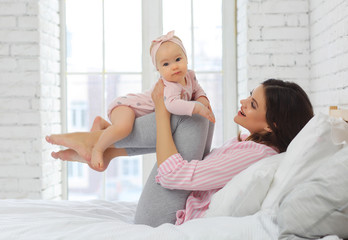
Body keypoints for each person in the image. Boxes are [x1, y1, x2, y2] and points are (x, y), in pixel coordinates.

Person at [46, 79, 313, 227]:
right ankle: (106, 147)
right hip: (171, 208)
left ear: (271, 125)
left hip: (163, 218)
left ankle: (96, 140)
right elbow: (199, 167)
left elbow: (174, 175)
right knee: (200, 114)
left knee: (193, 118)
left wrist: (162, 110)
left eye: (252, 103)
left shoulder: (257, 154)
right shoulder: (254, 147)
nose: (243, 102)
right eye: (249, 95)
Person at [85, 30, 215, 171]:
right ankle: (97, 148)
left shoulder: (190, 75)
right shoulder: (170, 85)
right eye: (166, 64)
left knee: (133, 133)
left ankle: (103, 125)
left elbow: (198, 89)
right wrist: (196, 107)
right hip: (127, 106)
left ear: (186, 59)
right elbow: (172, 105)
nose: (174, 66)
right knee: (124, 128)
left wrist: (202, 99)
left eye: (178, 59)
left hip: (134, 111)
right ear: (158, 69)